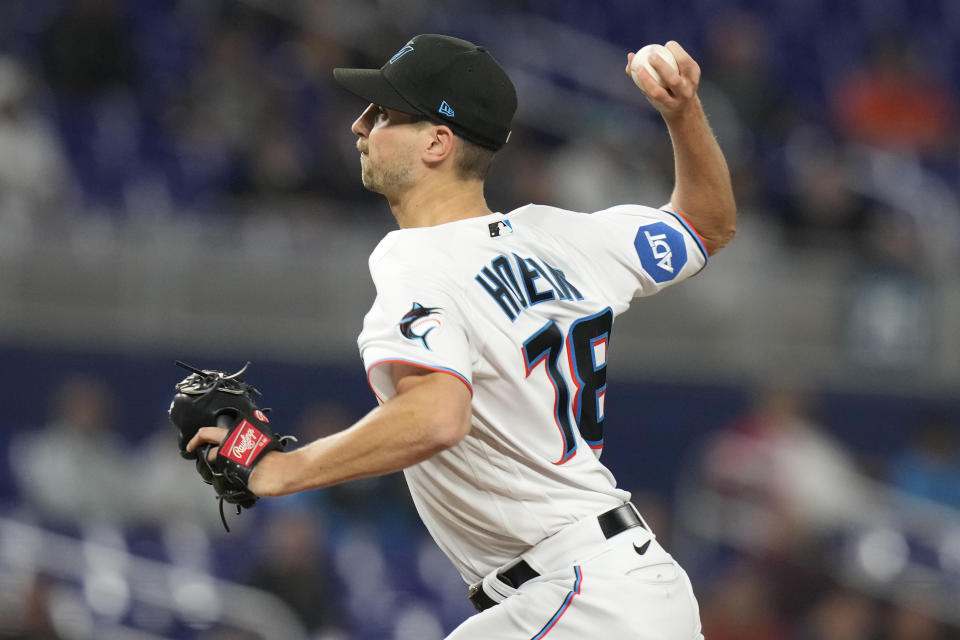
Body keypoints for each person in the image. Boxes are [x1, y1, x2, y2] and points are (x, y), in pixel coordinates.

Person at [188, 33, 736, 638]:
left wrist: (282, 470)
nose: (358, 125)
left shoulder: (417, 263)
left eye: (382, 113)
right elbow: (704, 223)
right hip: (621, 586)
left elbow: (437, 415)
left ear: (437, 142)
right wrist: (682, 113)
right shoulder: (565, 239)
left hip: (580, 597)